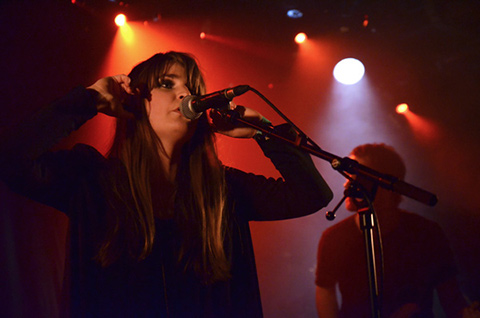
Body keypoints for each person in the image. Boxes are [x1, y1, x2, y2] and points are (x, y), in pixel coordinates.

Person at [0, 51, 333, 317]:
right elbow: (12, 161)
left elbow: (312, 195)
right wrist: (86, 101)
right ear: (135, 102)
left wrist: (263, 130)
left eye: (191, 87)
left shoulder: (223, 190)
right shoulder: (90, 181)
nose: (186, 94)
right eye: (166, 84)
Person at [315, 143, 470, 318]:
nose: (346, 183)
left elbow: (450, 294)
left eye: (354, 175)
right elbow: (325, 291)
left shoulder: (426, 233)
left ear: (384, 184)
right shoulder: (334, 238)